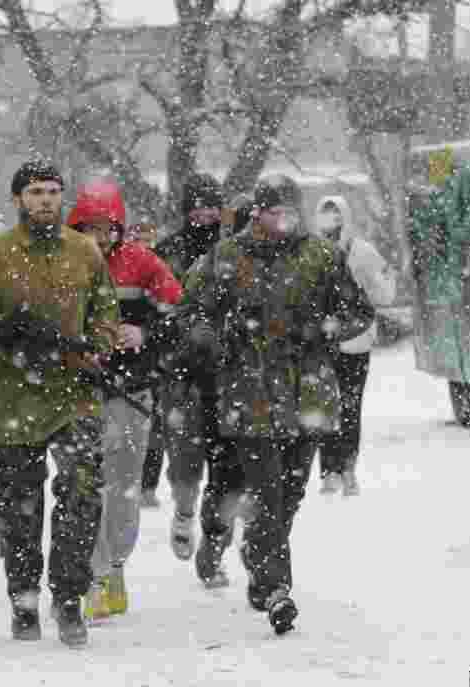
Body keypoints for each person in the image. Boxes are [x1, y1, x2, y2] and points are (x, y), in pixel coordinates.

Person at [0, 159, 120, 647]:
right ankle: (23, 596)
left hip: (74, 392)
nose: (45, 200)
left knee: (82, 490)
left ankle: (68, 596)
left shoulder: (85, 251)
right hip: (12, 394)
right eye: (35, 192)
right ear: (18, 199)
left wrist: (91, 346)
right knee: (19, 506)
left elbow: (106, 311)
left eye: (53, 192)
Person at [179, 174, 374, 634]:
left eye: (290, 209)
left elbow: (358, 311)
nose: (283, 219)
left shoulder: (322, 256)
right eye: (274, 210)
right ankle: (275, 589)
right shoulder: (227, 256)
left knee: (290, 493)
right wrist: (210, 336)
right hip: (250, 389)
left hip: (309, 388)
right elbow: (191, 308)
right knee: (266, 492)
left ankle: (257, 554)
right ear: (257, 213)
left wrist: (325, 328)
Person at [65, 178, 182, 622]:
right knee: (83, 483)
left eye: (106, 227)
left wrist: (146, 333)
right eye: (88, 228)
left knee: (123, 486)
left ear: (119, 227)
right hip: (78, 391)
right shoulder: (60, 263)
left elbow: (182, 313)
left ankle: (115, 565)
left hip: (131, 392)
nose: (98, 237)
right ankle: (92, 575)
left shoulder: (143, 263)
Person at [156, 174, 226, 562]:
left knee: (227, 470)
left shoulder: (234, 253)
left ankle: (214, 549)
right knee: (184, 465)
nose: (205, 213)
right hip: (179, 378)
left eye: (212, 206)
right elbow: (152, 312)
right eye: (198, 206)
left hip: (229, 377)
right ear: (186, 210)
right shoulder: (166, 253)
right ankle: (184, 511)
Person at [313, 196, 396, 496]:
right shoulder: (311, 251)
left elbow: (386, 292)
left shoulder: (363, 252)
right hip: (322, 341)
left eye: (336, 216)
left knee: (349, 406)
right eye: (326, 216)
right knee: (324, 406)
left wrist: (364, 290)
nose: (331, 223)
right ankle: (328, 471)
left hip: (356, 341)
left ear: (346, 218)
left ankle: (347, 468)